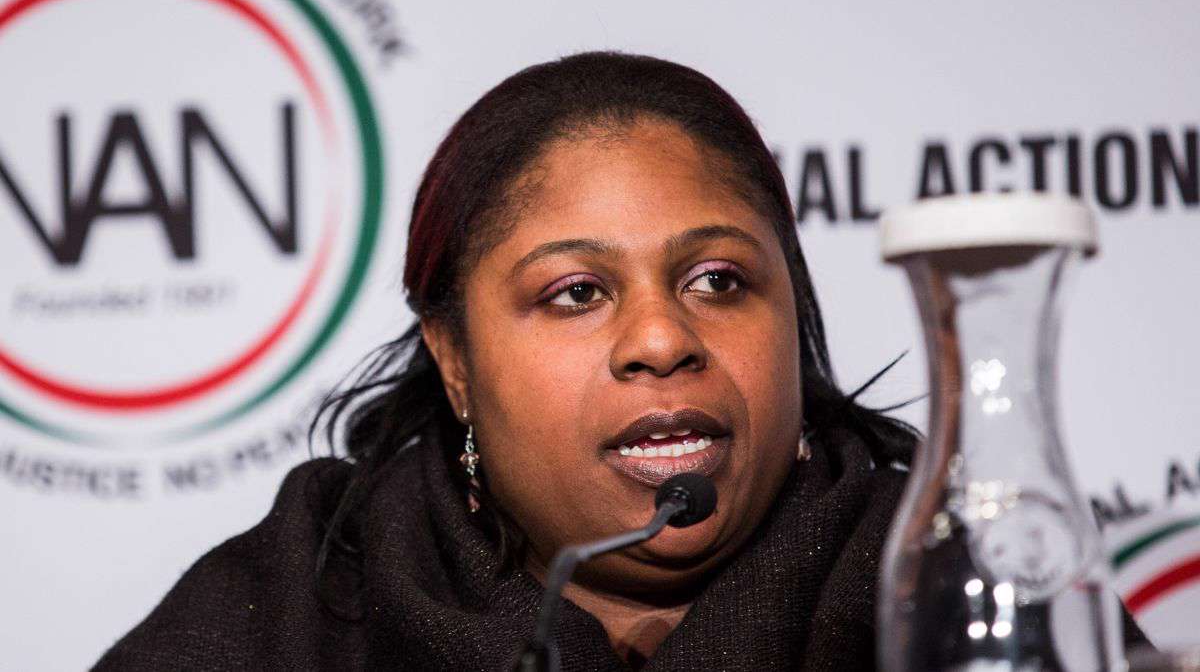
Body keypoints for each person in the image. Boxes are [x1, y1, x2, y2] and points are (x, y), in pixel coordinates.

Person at [92, 51, 1136, 671]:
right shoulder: (302, 604)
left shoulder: (960, 578)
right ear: (454, 359)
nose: (662, 339)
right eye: (576, 294)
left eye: (718, 280)